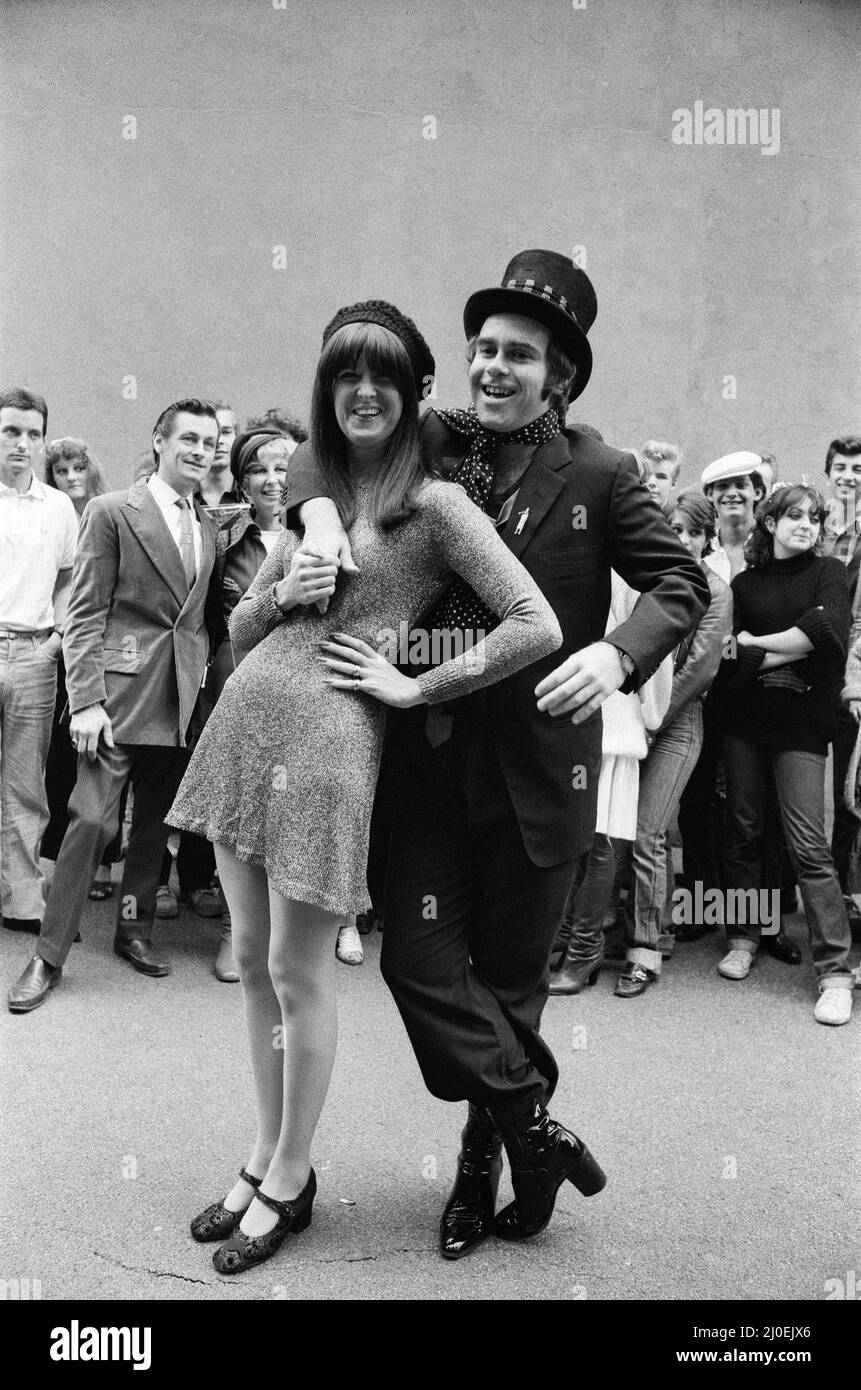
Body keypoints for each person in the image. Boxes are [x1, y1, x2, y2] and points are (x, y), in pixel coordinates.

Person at [289, 250, 710, 1258]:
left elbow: (680, 584)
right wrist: (311, 512)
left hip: (541, 774)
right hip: (428, 759)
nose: (492, 367)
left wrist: (616, 651)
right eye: (482, 348)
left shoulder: (603, 475)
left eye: (518, 354)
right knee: (419, 963)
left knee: (513, 990)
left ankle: (485, 1166)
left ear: (559, 376)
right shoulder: (436, 441)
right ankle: (536, 1125)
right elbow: (326, 439)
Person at [167, 299, 563, 1275]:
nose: (362, 391)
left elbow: (535, 621)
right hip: (248, 724)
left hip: (337, 741)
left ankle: (294, 1177)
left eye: (384, 375)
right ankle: (263, 1158)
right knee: (252, 960)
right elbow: (242, 633)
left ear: (418, 393)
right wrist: (279, 593)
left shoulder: (437, 506)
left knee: (301, 975)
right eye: (345, 373)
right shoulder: (312, 498)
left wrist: (419, 682)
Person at [7, 400, 220, 1012]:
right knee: (94, 823)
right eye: (188, 439)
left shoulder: (206, 525)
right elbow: (83, 615)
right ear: (159, 441)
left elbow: (197, 623)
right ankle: (48, 956)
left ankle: (134, 929)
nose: (201, 451)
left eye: (209, 443)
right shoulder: (109, 510)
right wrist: (86, 703)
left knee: (153, 825)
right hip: (116, 701)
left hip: (178, 698)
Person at [717, 484, 854, 1026]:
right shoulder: (744, 583)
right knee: (742, 829)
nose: (807, 525)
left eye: (815, 518)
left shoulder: (829, 573)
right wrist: (781, 648)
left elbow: (830, 634)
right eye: (794, 516)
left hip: (803, 724)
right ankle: (742, 937)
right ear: (769, 522)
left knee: (808, 847)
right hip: (743, 723)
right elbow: (730, 660)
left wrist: (758, 645)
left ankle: (835, 973)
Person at [612, 490, 732, 994]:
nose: (681, 539)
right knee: (616, 833)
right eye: (674, 529)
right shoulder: (654, 581)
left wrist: (652, 719)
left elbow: (699, 669)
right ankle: (634, 930)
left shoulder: (716, 591)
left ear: (707, 539)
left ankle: (646, 950)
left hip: (676, 725)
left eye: (691, 531)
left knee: (649, 832)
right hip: (630, 718)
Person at [549, 573, 673, 995]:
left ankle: (584, 949)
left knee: (600, 844)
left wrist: (650, 714)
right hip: (580, 715)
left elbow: (656, 650)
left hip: (613, 719)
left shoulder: (637, 574)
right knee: (582, 843)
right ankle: (568, 940)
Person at [204, 427, 291, 981]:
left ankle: (332, 919)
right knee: (240, 804)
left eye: (284, 467)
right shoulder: (223, 540)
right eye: (259, 469)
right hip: (238, 687)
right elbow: (207, 616)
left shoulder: (325, 533)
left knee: (295, 805)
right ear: (242, 480)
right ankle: (236, 928)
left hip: (304, 689)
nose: (273, 480)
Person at [0, 390, 78, 935]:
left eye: (31, 433)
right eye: (10, 431)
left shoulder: (59, 507)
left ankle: (22, 899)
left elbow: (70, 578)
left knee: (26, 784)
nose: (21, 443)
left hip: (34, 654)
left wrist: (54, 641)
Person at [40, 437, 123, 900]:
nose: (71, 478)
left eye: (78, 469)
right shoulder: (52, 515)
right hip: (60, 647)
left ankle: (106, 862)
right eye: (61, 470)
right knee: (61, 760)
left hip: (102, 650)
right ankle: (58, 863)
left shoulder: (109, 510)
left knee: (104, 757)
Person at [821, 434, 861, 934]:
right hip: (812, 684)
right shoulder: (820, 527)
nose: (850, 476)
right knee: (817, 803)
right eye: (842, 468)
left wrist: (854, 685)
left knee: (852, 801)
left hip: (850, 687)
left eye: (858, 469)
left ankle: (848, 916)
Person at [198, 402, 238, 508]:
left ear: (237, 438)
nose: (219, 441)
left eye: (226, 432)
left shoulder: (255, 495)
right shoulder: (181, 496)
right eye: (211, 433)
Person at [641, 440, 681, 510]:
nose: (651, 482)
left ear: (673, 483)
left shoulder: (680, 519)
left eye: (661, 477)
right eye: (646, 475)